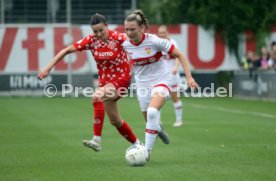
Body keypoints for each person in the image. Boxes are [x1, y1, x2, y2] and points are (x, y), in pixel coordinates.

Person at [37, 13, 141, 152]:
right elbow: (67, 50)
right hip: (105, 84)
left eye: (101, 30)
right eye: (95, 31)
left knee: (96, 96)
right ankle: (139, 145)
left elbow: (140, 43)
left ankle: (96, 140)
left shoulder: (119, 38)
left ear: (107, 26)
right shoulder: (92, 41)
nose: (98, 34)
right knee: (115, 121)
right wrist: (48, 67)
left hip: (121, 80)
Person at [123, 10, 199, 159]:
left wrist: (189, 77)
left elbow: (180, 54)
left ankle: (147, 153)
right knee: (149, 122)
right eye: (126, 29)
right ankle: (158, 129)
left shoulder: (154, 41)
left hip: (162, 80)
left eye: (133, 29)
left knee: (152, 112)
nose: (129, 32)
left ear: (142, 28)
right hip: (142, 85)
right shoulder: (124, 44)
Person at [158, 25, 184, 127]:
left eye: (163, 32)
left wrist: (176, 67)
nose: (161, 34)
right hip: (161, 76)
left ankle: (179, 120)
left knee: (175, 97)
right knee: (158, 97)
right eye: (160, 33)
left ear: (167, 33)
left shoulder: (172, 43)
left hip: (172, 75)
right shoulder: (157, 43)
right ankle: (158, 121)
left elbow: (178, 56)